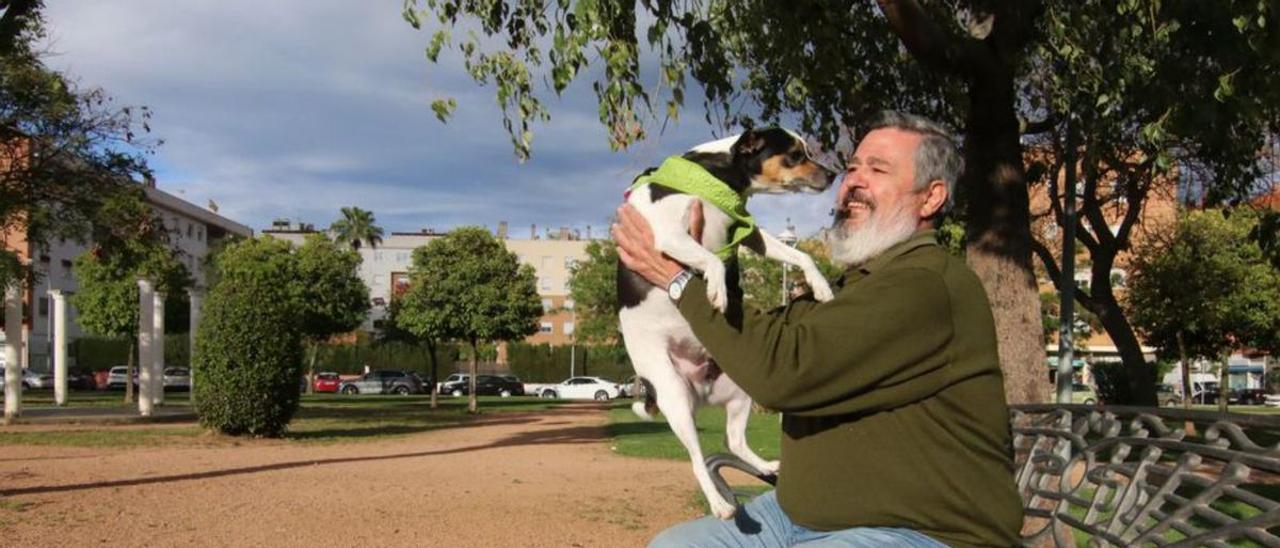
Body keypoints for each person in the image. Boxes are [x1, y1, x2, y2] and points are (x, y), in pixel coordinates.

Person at [612, 111, 1023, 547]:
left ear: (931, 198)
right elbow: (766, 338)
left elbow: (780, 376)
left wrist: (677, 279)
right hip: (796, 516)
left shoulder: (925, 284)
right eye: (851, 169)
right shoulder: (860, 284)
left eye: (877, 169)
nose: (852, 182)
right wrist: (708, 251)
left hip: (921, 530)